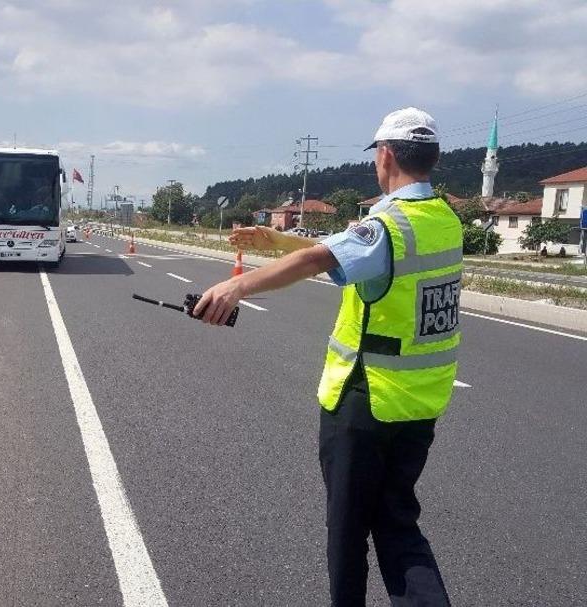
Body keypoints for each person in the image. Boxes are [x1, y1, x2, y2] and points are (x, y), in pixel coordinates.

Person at [194, 107, 461, 606]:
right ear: (433, 158)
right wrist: (277, 241)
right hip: (419, 404)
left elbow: (325, 258)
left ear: (384, 156)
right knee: (398, 525)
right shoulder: (442, 220)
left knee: (347, 532)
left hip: (366, 400)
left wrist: (238, 286)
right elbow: (351, 252)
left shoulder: (389, 222)